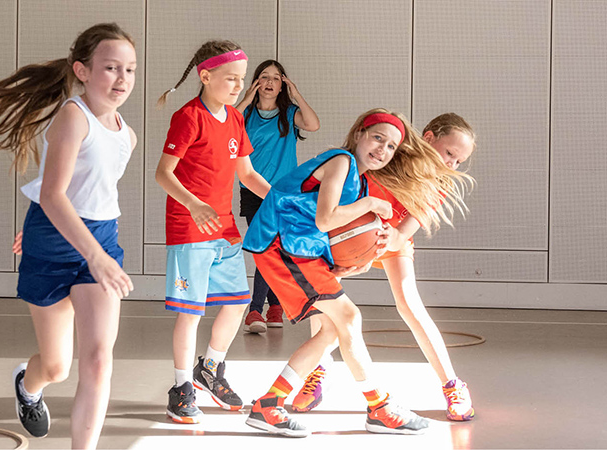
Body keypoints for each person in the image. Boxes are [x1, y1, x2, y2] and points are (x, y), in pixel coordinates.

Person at [242, 109, 471, 437]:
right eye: (449, 153)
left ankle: (448, 385)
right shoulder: (354, 161)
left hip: (367, 235)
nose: (452, 164)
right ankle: (369, 402)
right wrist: (369, 211)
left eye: (459, 162)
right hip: (302, 239)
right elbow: (324, 219)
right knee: (342, 315)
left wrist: (369, 253)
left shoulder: (408, 177)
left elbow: (396, 230)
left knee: (354, 320)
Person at [0, 23, 137, 450]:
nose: (122, 79)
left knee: (98, 361)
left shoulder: (126, 134)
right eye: (111, 68)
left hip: (99, 239)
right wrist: (58, 230)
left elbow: (89, 189)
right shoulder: (72, 116)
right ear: (81, 70)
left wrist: (96, 252)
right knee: (58, 367)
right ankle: (28, 383)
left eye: (130, 70)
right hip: (58, 245)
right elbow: (53, 192)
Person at [155, 40, 271, 424]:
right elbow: (163, 173)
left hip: (225, 228)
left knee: (237, 301)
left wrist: (281, 202)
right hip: (190, 227)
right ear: (206, 76)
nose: (238, 86)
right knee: (191, 312)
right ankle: (182, 387)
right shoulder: (188, 117)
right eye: (230, 79)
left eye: (241, 79)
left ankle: (211, 368)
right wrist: (194, 203)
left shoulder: (236, 120)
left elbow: (248, 175)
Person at [233, 59, 320, 333]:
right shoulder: (245, 115)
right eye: (264, 77)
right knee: (267, 249)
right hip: (253, 191)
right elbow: (225, 126)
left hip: (283, 194)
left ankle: (259, 309)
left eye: (276, 78)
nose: (270, 82)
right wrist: (246, 100)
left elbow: (313, 124)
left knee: (272, 249)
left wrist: (296, 95)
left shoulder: (289, 114)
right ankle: (270, 307)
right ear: (257, 81)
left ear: (283, 84)